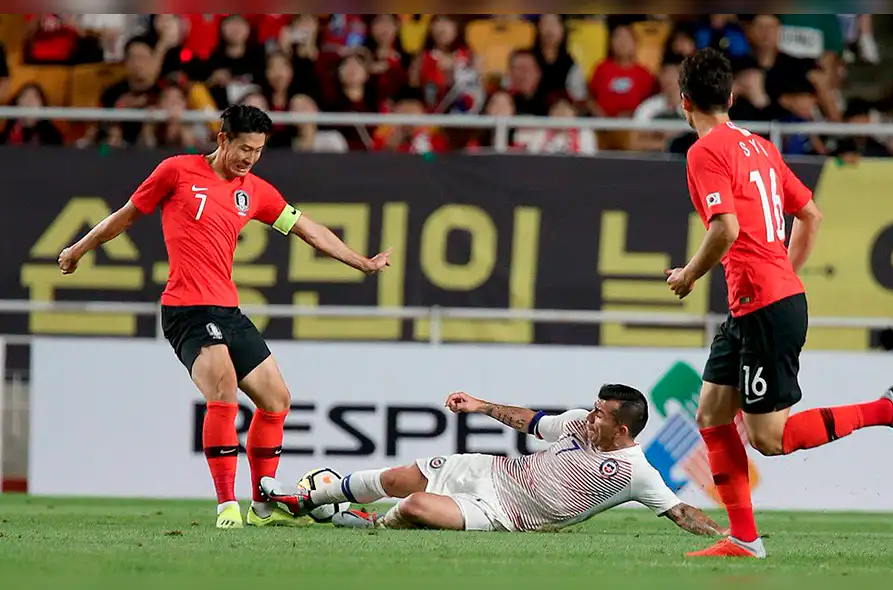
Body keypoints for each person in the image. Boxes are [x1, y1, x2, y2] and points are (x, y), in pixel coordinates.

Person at [57, 105, 392, 529]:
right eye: (245, 148)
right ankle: (226, 506)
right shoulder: (176, 172)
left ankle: (263, 507)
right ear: (223, 139)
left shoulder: (256, 192)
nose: (251, 158)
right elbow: (123, 216)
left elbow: (309, 229)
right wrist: (77, 250)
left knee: (276, 399)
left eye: (259, 151)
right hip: (186, 309)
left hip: (228, 311)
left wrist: (361, 262)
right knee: (224, 391)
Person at [664, 48, 893, 559]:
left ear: (684, 102)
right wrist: (783, 271)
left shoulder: (704, 152)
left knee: (769, 439)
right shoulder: (761, 148)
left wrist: (688, 275)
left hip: (764, 306)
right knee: (712, 413)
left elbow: (726, 229)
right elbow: (811, 214)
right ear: (731, 97)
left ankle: (890, 409)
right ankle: (744, 538)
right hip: (757, 303)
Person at [261, 384, 727, 537]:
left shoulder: (636, 472)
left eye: (601, 414)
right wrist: (481, 406)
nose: (591, 416)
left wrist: (728, 536)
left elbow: (681, 512)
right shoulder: (576, 423)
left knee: (415, 506)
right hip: (490, 470)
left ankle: (365, 523)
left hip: (503, 514)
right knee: (398, 478)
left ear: (621, 430)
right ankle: (306, 500)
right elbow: (531, 421)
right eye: (594, 408)